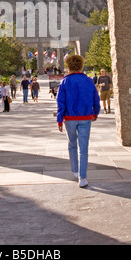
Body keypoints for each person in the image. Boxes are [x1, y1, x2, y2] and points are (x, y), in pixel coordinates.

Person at [56, 54, 100, 188]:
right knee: (84, 147)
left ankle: (75, 170)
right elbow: (95, 99)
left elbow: (60, 102)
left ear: (69, 66)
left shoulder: (64, 82)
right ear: (81, 66)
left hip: (69, 118)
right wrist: (95, 112)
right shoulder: (88, 81)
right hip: (85, 117)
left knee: (72, 144)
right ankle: (83, 177)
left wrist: (59, 119)